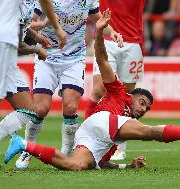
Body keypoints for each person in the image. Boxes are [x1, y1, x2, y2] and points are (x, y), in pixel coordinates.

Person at [4, 10, 180, 171]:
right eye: (142, 103)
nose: (142, 109)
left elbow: (104, 162)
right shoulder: (120, 92)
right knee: (150, 133)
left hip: (92, 135)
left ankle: (24, 145)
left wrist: (127, 166)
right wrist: (100, 33)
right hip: (102, 121)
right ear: (131, 97)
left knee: (76, 165)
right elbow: (102, 60)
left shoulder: (119, 132)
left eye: (147, 108)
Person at [15, 1, 123, 169]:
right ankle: (28, 149)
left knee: (71, 107)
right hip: (47, 57)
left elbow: (98, 20)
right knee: (41, 109)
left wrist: (113, 32)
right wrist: (43, 24)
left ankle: (65, 153)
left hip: (74, 59)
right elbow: (28, 24)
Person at [0, 0, 66, 171]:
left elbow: (21, 27)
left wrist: (37, 36)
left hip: (6, 55)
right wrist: (38, 48)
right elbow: (17, 43)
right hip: (0, 46)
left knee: (28, 110)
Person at [85, 0, 146, 160]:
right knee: (99, 89)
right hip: (107, 38)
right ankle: (85, 136)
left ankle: (119, 145)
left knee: (127, 95)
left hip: (133, 41)